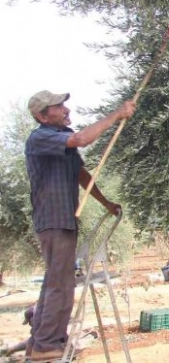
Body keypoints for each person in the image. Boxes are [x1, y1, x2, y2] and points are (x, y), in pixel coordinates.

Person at [24, 90, 135, 362]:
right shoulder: (42, 137)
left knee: (55, 281)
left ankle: (39, 342)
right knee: (60, 285)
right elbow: (83, 139)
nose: (65, 109)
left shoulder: (61, 140)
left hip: (63, 220)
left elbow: (81, 175)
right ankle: (47, 344)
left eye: (63, 104)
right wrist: (118, 114)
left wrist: (105, 202)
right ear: (41, 116)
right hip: (53, 220)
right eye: (57, 106)